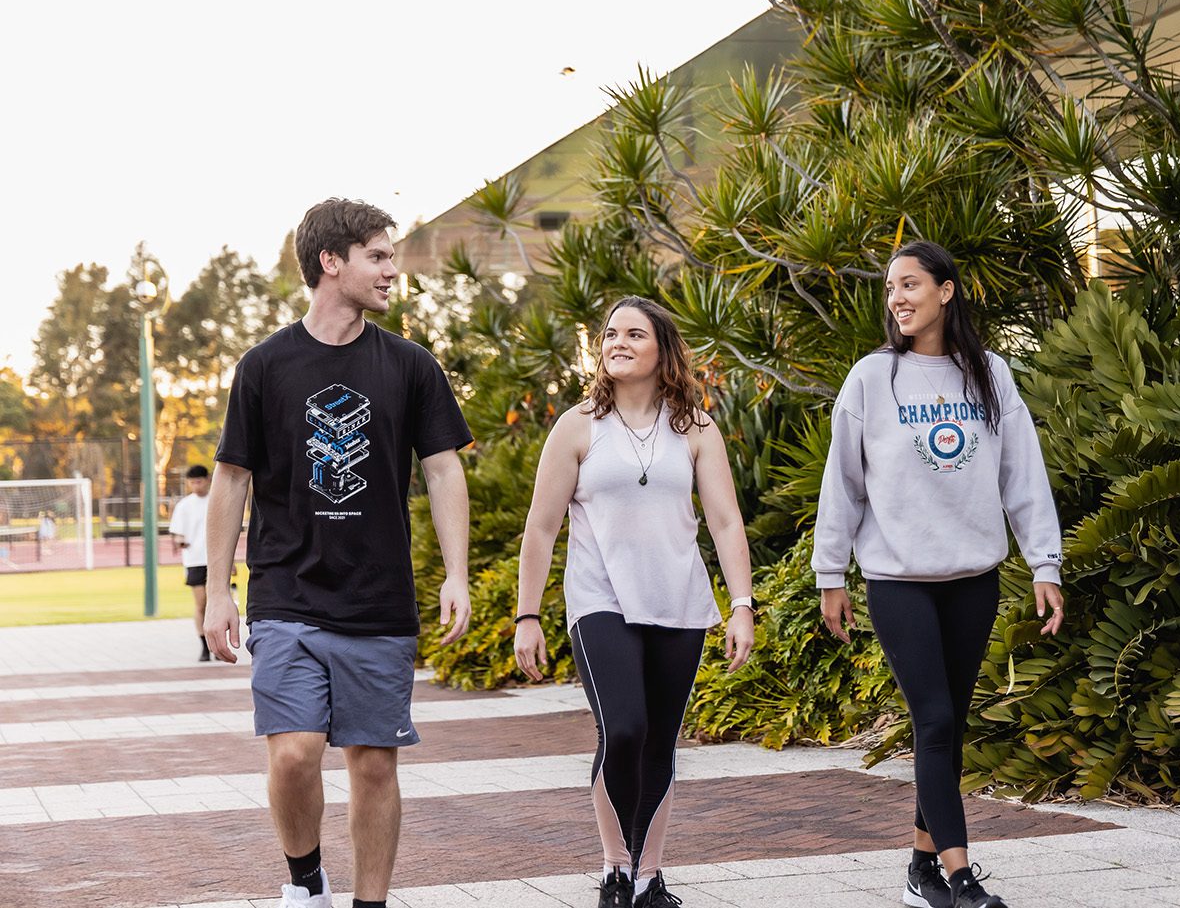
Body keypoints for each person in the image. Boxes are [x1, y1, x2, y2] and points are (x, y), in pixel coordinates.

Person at [202, 198, 474, 908]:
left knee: (374, 766)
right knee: (294, 753)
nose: (391, 270)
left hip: (378, 597)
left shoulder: (411, 366)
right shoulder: (264, 366)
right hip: (286, 592)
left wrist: (457, 573)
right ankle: (306, 881)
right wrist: (219, 590)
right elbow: (231, 478)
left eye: (391, 257)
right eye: (377, 256)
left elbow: (444, 469)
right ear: (331, 261)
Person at [814, 240, 1065, 908]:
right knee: (931, 718)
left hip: (972, 578)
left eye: (910, 284)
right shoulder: (872, 378)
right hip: (899, 580)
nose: (897, 298)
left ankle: (922, 870)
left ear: (945, 290)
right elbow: (843, 482)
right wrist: (830, 572)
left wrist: (1044, 562)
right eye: (891, 288)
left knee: (950, 723)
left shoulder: (989, 374)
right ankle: (960, 877)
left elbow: (1022, 475)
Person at [512, 296, 756, 908]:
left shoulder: (695, 429)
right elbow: (540, 528)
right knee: (623, 729)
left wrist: (742, 604)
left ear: (662, 350)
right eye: (610, 333)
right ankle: (615, 866)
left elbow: (726, 521)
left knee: (659, 741)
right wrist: (527, 615)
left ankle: (646, 877)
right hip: (600, 599)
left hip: (679, 600)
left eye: (634, 334)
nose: (617, 342)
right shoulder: (577, 427)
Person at [169, 464, 214, 660]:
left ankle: (218, 643)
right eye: (193, 482)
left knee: (216, 603)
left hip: (215, 560)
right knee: (201, 603)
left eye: (199, 481)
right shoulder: (184, 506)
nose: (196, 485)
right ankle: (204, 646)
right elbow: (178, 533)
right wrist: (180, 541)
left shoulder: (216, 500)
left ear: (208, 480)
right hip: (195, 560)